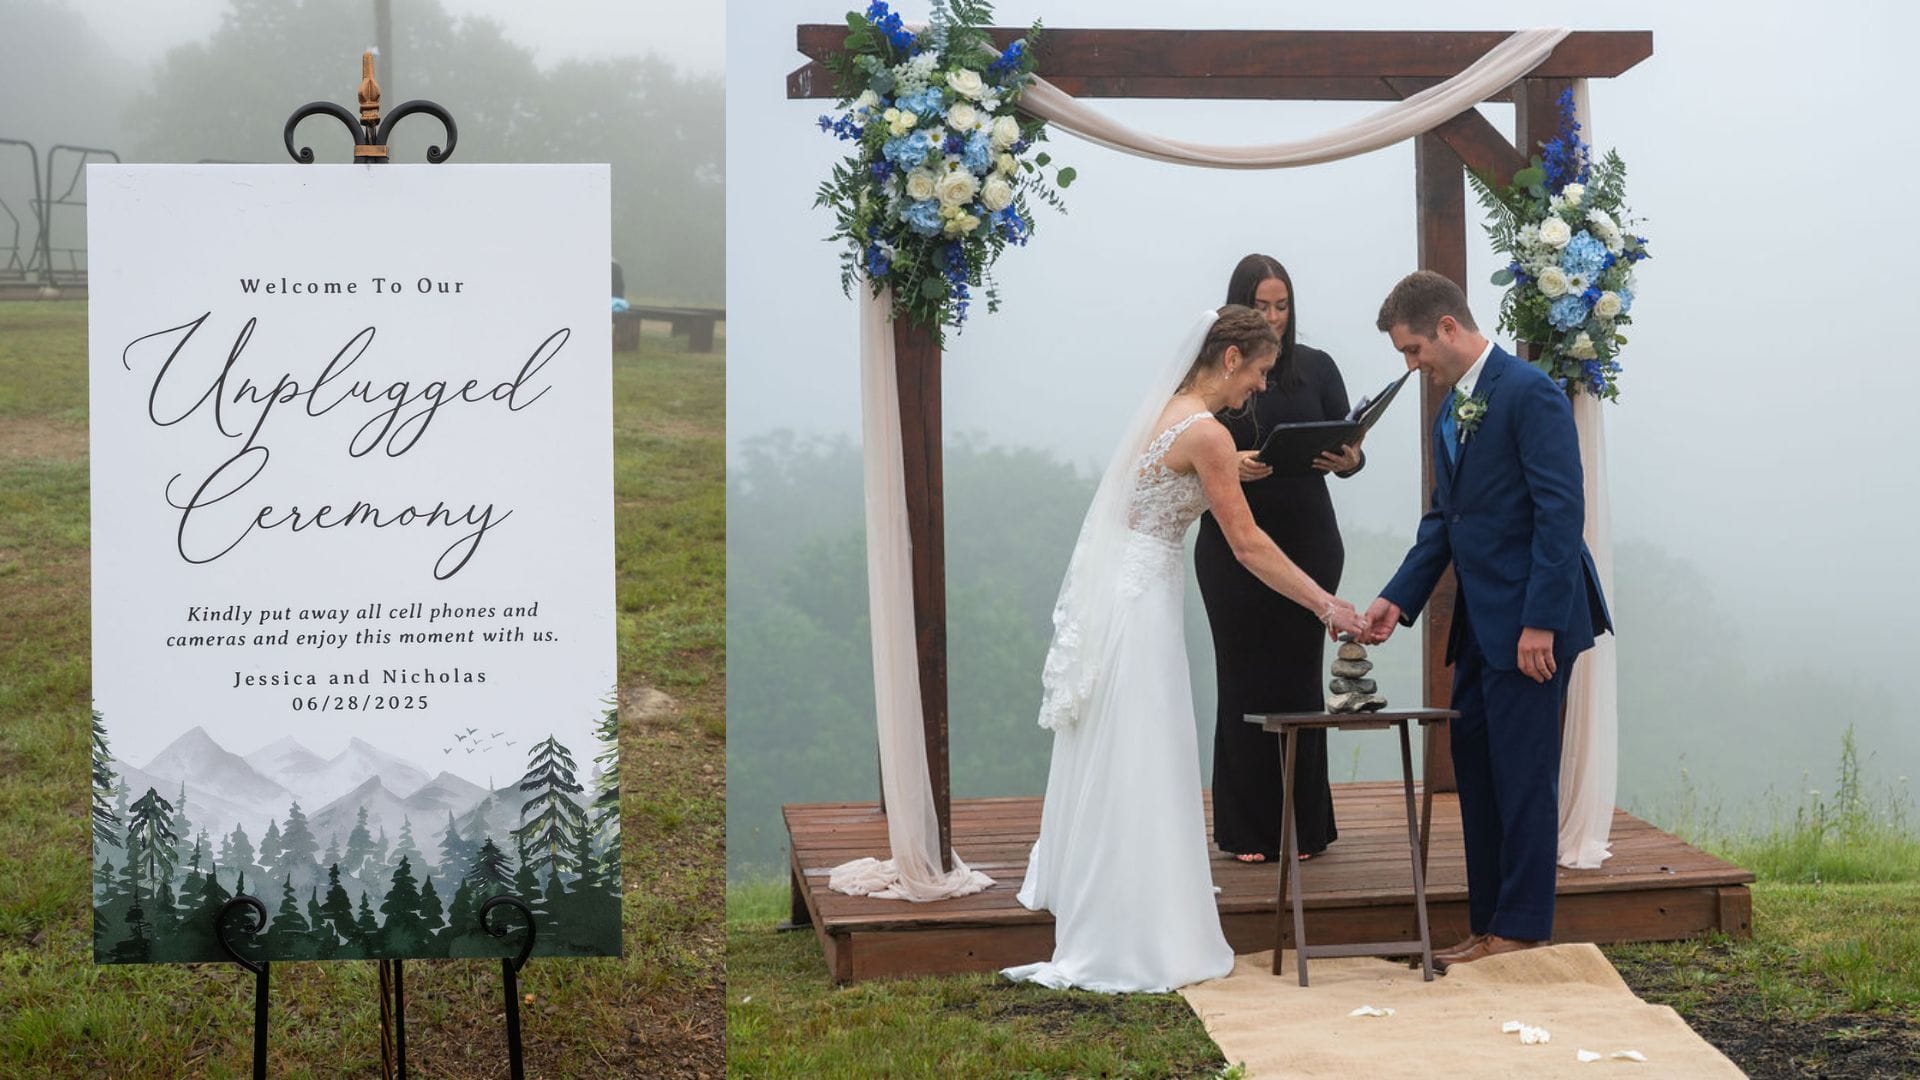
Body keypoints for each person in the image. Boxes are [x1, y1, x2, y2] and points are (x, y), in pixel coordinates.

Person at [1005, 305, 1370, 993]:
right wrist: (1325, 603)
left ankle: (1120, 890)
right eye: (1260, 371)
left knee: (1126, 744)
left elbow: (1166, 490)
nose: (1261, 387)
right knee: (1144, 743)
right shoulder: (1205, 432)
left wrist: (1235, 469)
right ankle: (1136, 926)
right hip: (1142, 602)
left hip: (1129, 586)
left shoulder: (1168, 411)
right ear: (1231, 359)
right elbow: (1248, 544)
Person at [1362, 270, 1611, 968]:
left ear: (1447, 327)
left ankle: (1524, 928)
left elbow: (1562, 514)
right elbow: (1446, 521)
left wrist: (1540, 622)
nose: (1413, 367)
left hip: (1534, 622)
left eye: (1413, 350)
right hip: (1480, 623)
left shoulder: (1530, 394)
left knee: (1525, 773)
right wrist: (1396, 599)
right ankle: (1487, 925)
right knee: (1476, 765)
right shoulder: (1452, 412)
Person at [1195, 253, 1364, 864]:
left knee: (1298, 682)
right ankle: (1245, 829)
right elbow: (1191, 449)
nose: (1274, 317)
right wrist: (1233, 465)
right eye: (1262, 306)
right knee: (1243, 680)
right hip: (1234, 545)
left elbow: (1351, 444)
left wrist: (1350, 459)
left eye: (1282, 305)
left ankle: (1306, 825)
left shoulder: (1318, 367)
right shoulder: (1214, 375)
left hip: (1311, 537)